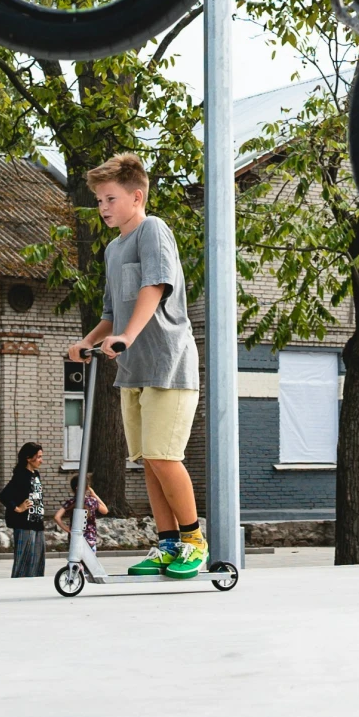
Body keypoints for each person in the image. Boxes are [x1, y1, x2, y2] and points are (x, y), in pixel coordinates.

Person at [66, 153, 204, 579]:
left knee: (164, 457)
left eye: (110, 198)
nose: (103, 207)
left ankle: (194, 541)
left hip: (168, 363)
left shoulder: (152, 230)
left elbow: (155, 286)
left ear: (136, 196)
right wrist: (88, 341)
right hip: (134, 370)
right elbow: (112, 312)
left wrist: (127, 336)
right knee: (148, 460)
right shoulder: (113, 248)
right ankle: (167, 546)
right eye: (99, 201)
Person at [0, 441, 48, 577]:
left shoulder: (35, 475)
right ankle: (19, 585)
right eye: (38, 457)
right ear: (28, 458)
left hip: (37, 522)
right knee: (25, 559)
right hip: (24, 523)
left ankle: (35, 585)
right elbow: (4, 495)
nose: (41, 460)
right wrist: (18, 508)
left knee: (37, 558)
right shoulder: (21, 475)